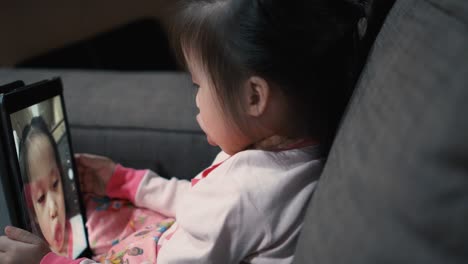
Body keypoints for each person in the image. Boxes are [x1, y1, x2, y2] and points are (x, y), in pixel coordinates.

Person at [0, 0, 367, 263]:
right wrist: (127, 181)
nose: (196, 102)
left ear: (253, 96)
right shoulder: (290, 157)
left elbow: (217, 210)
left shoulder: (245, 195)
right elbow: (201, 201)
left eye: (198, 87)